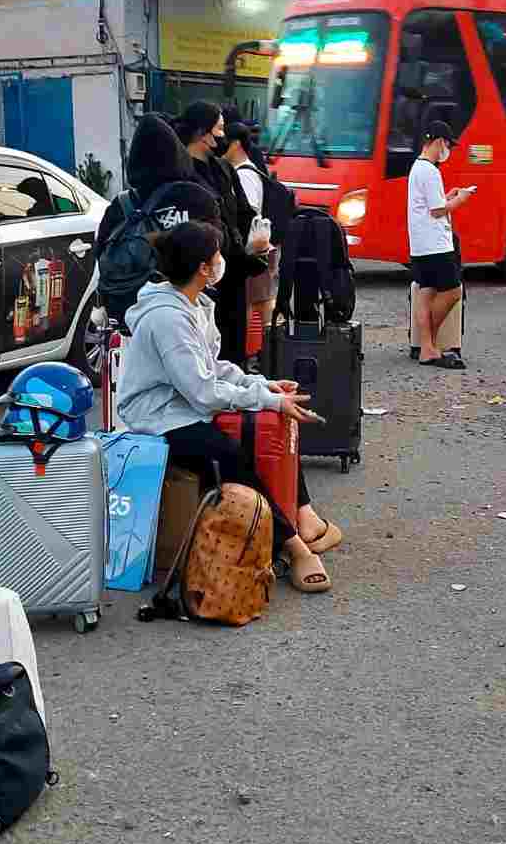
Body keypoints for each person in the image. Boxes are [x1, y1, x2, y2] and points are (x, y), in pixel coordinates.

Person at [118, 220, 342, 592]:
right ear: (204, 268)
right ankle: (293, 545)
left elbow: (213, 367)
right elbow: (203, 391)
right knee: (228, 454)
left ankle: (301, 515)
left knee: (270, 424)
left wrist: (261, 386)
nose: (222, 261)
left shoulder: (194, 304)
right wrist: (267, 397)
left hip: (184, 406)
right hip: (156, 417)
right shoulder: (167, 318)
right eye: (217, 254)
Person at [174, 101, 270, 367]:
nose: (222, 135)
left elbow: (243, 212)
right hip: (204, 281)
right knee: (207, 357)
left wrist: (255, 241)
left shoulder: (223, 169)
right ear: (203, 133)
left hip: (235, 274)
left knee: (233, 355)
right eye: (218, 128)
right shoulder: (181, 175)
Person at [409, 121, 472, 369]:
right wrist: (461, 200)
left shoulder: (418, 168)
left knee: (426, 293)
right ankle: (427, 345)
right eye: (448, 145)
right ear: (438, 142)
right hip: (436, 244)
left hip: (420, 243)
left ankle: (427, 348)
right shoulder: (430, 170)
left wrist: (447, 197)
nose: (449, 151)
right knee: (453, 291)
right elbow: (436, 211)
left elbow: (430, 204)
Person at [224, 119, 279, 338]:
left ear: (236, 144)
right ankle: (264, 351)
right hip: (257, 248)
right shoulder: (247, 170)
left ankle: (262, 353)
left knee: (254, 303)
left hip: (253, 249)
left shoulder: (244, 174)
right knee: (260, 301)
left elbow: (250, 213)